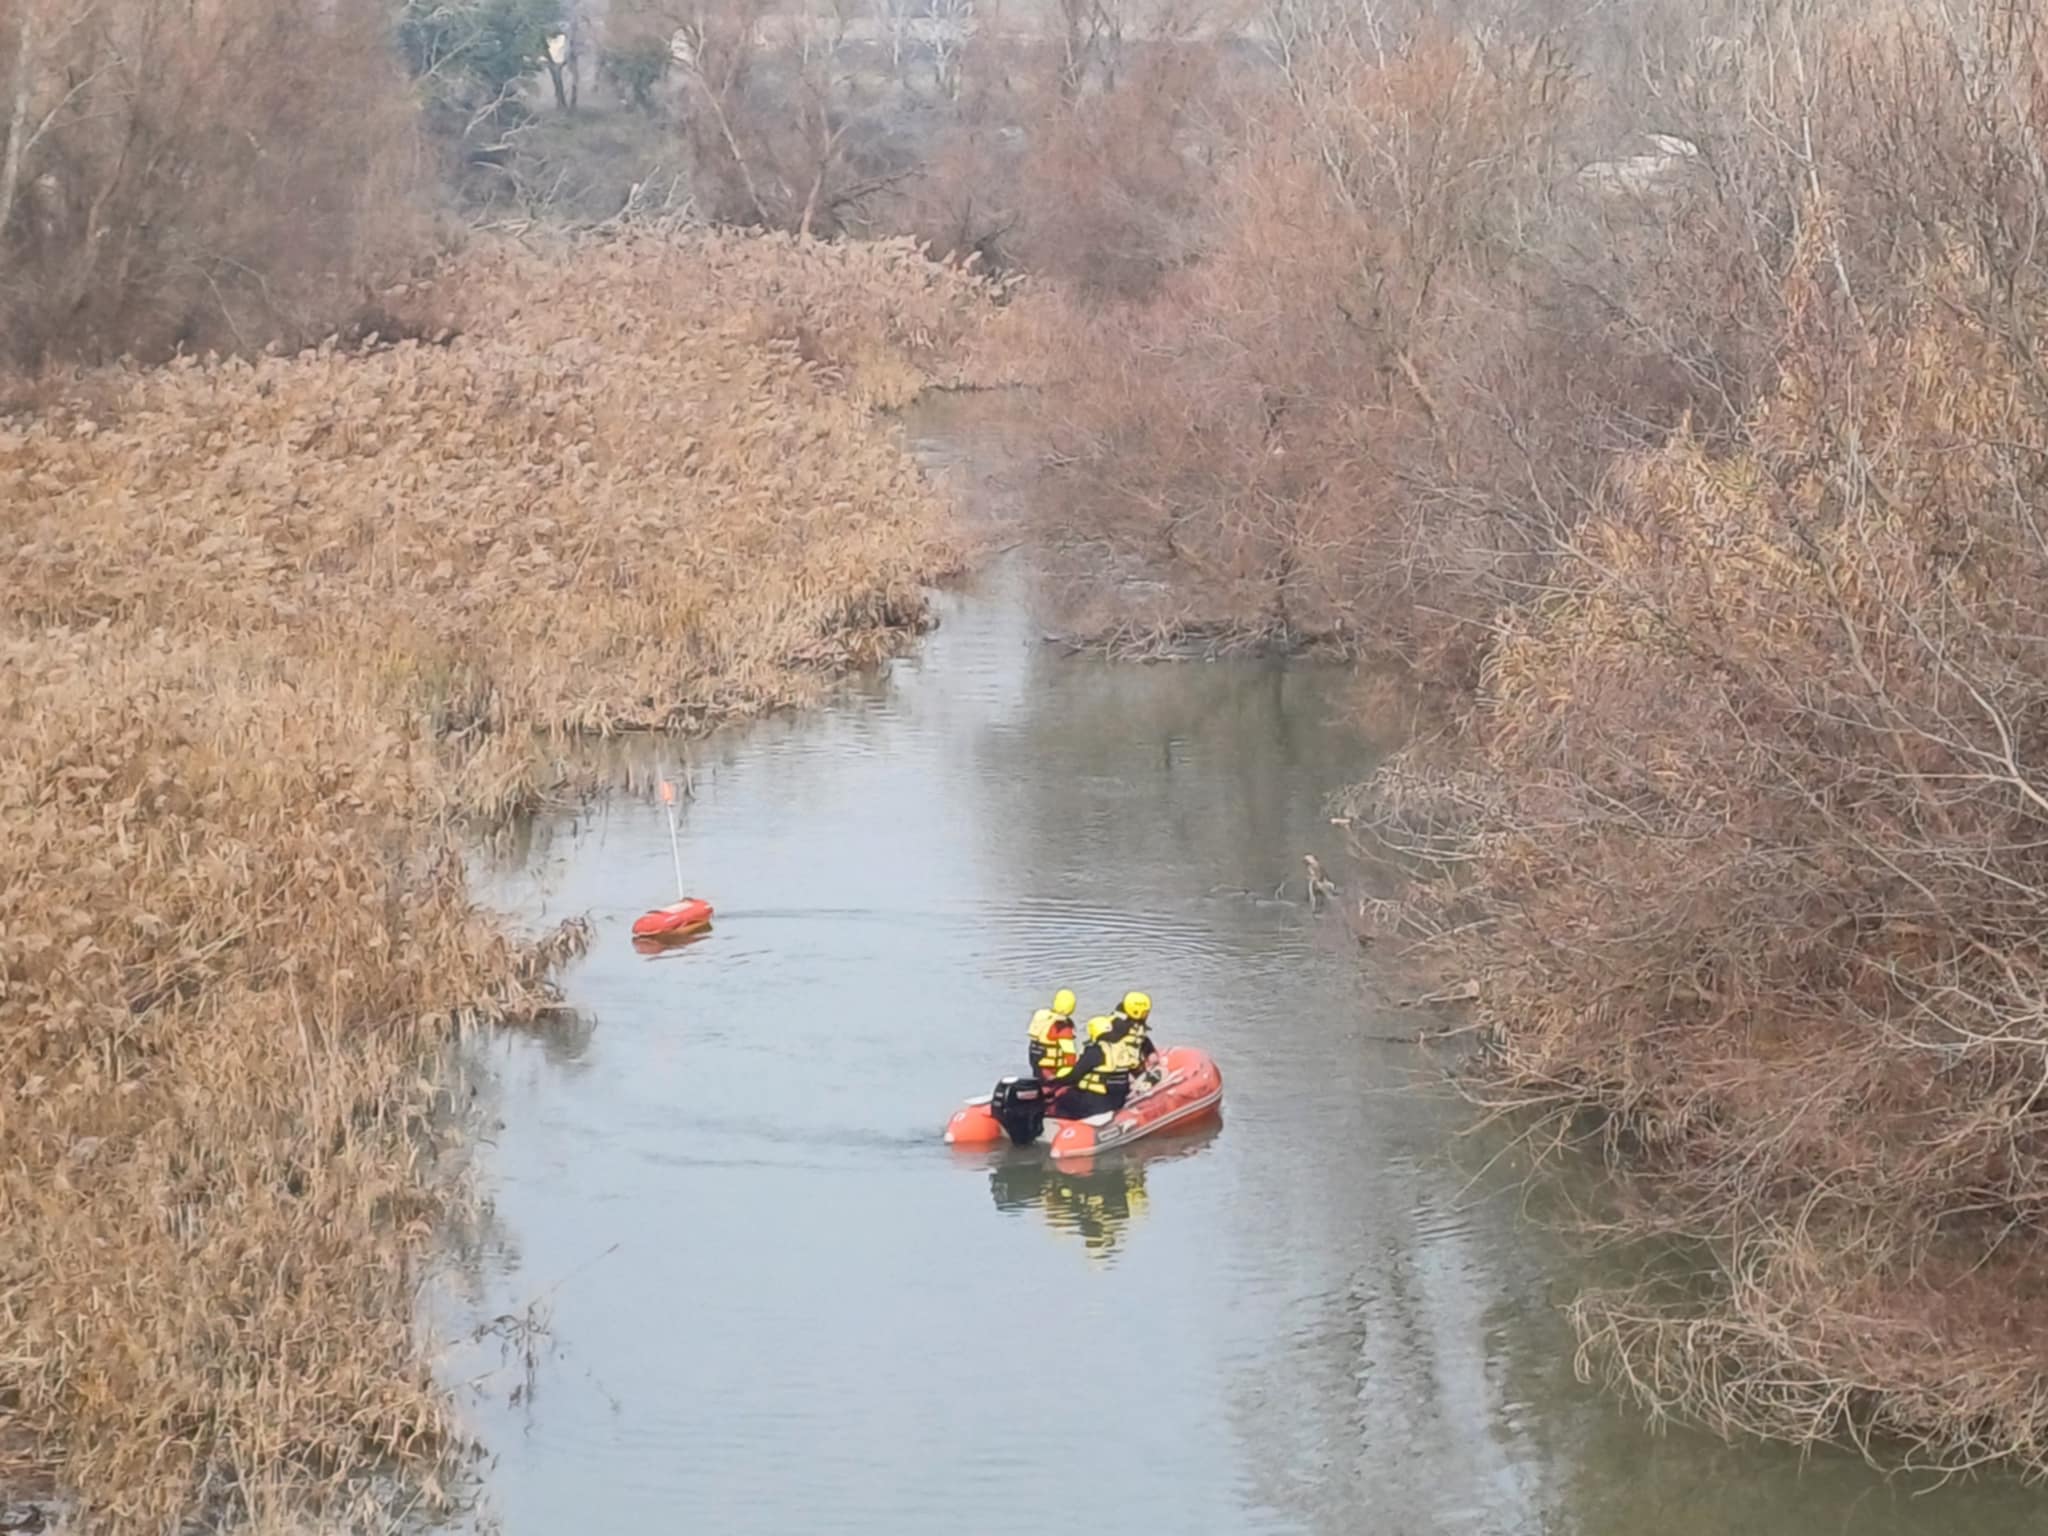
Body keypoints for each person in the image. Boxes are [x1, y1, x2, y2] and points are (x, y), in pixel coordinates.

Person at [1048, 1011, 1148, 1118]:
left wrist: (1056, 1081)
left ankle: (1068, 1126)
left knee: (1063, 1098)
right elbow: (1136, 1067)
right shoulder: (1122, 1048)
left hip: (1096, 1103)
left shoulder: (1095, 1051)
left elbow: (1075, 1076)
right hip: (1118, 1101)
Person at [1026, 988, 1080, 1080]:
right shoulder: (1062, 1026)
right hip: (1053, 1071)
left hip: (1038, 1066)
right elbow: (1070, 1053)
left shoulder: (1044, 1019)